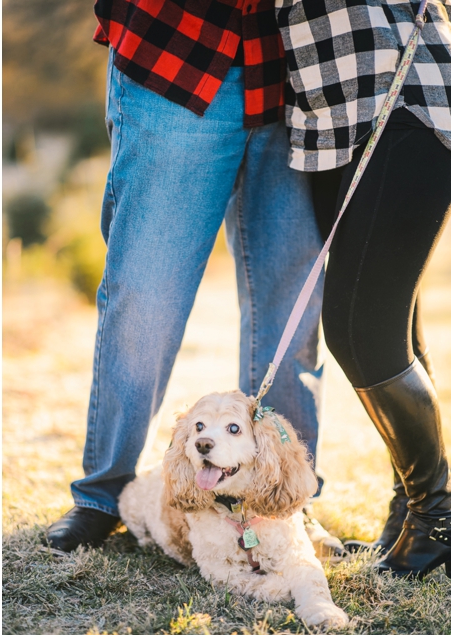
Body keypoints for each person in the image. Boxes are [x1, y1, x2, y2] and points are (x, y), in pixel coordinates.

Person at [44, 0, 340, 555]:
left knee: (292, 308)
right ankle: (103, 494)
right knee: (145, 296)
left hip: (297, 65)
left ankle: (287, 503)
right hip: (178, 49)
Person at [275, 0, 451, 577]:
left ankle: (438, 519)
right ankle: (411, 515)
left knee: (357, 330)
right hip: (330, 115)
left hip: (404, 89)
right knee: (394, 321)